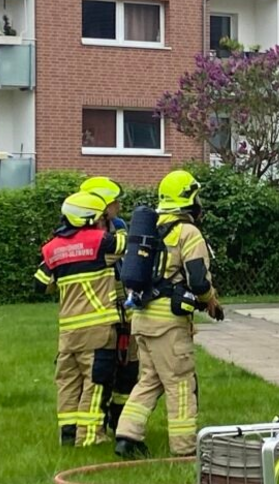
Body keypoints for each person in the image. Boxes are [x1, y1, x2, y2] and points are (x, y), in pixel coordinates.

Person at [115, 170, 224, 459]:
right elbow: (199, 280)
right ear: (189, 198)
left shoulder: (151, 229)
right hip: (169, 326)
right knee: (181, 384)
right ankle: (185, 449)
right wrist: (209, 300)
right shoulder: (187, 232)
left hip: (142, 319)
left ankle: (126, 436)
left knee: (150, 380)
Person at [34, 191, 124, 447]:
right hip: (97, 330)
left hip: (68, 333)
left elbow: (40, 284)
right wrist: (118, 223)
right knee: (96, 383)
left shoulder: (53, 248)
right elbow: (124, 244)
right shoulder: (100, 241)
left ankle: (68, 434)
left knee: (67, 383)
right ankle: (90, 436)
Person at [79, 175, 135, 432]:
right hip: (98, 313)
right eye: (114, 203)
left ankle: (119, 417)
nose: (118, 207)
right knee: (101, 369)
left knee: (129, 367)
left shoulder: (119, 225)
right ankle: (95, 422)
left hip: (123, 307)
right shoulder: (84, 237)